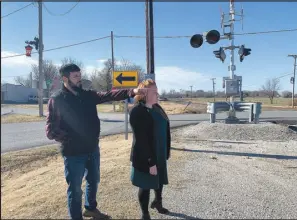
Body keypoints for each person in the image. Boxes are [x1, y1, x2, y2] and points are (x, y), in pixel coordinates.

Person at [45, 63, 142, 220]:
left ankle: (90, 208)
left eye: (79, 75)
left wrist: (132, 91)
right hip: (73, 153)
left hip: (92, 149)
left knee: (93, 180)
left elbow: (108, 95)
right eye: (75, 76)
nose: (79, 79)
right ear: (65, 78)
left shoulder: (87, 95)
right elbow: (51, 131)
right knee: (75, 188)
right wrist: (71, 139)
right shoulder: (57, 100)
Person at [129, 79, 171, 220]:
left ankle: (157, 203)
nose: (157, 94)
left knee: (158, 181)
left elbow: (165, 129)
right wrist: (150, 161)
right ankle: (145, 214)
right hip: (145, 155)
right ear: (144, 93)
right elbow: (141, 140)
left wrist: (166, 151)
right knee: (145, 184)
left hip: (160, 152)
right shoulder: (137, 111)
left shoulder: (157, 108)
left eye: (157, 90)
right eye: (154, 91)